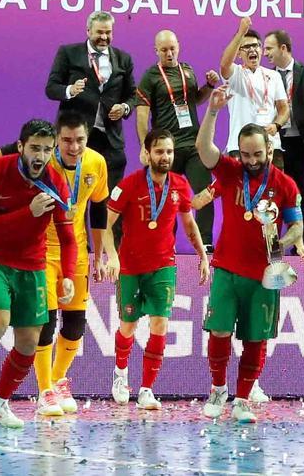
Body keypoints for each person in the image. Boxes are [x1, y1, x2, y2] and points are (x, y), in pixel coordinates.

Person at [196, 86, 304, 423]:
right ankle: (218, 389)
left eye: (257, 154)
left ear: (269, 150)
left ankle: (243, 398)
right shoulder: (231, 172)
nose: (252, 161)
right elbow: (204, 150)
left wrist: (280, 242)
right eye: (246, 154)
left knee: (256, 339)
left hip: (264, 275)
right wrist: (213, 111)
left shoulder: (286, 185)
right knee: (218, 332)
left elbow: (297, 229)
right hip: (228, 270)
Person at [0, 119, 77, 428]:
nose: (41, 155)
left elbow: (68, 237)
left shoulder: (55, 183)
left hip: (31, 264)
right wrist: (29, 212)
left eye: (47, 150)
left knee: (27, 343)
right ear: (21, 147)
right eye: (35, 148)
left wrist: (67, 276)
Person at [100, 129, 210, 410]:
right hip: (130, 267)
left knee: (160, 325)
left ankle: (147, 388)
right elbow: (105, 225)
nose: (165, 157)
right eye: (159, 151)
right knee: (128, 327)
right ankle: (121, 373)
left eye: (169, 152)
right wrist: (111, 255)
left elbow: (188, 224)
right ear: (147, 154)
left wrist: (202, 255)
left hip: (163, 266)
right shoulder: (128, 185)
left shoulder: (180, 185)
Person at [32, 112, 110, 417]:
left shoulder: (96, 163)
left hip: (75, 253)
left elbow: (99, 208)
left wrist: (100, 254)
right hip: (41, 252)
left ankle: (58, 378)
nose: (73, 147)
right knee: (46, 324)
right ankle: (44, 391)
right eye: (66, 140)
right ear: (56, 139)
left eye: (79, 140)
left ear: (87, 138)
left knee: (76, 324)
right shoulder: (42, 163)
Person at [44, 10, 137, 241]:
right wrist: (69, 90)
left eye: (108, 33)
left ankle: (112, 252)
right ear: (88, 31)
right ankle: (76, 246)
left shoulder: (123, 59)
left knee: (111, 197)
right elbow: (51, 88)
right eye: (99, 32)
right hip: (76, 139)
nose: (104, 37)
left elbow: (133, 95)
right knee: (75, 194)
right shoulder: (69, 53)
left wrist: (125, 108)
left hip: (110, 140)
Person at [135, 29, 220, 249]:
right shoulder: (150, 76)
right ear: (156, 51)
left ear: (178, 46)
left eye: (172, 48)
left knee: (205, 192)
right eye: (164, 50)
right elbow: (142, 114)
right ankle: (165, 243)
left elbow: (196, 100)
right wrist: (146, 147)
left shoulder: (188, 70)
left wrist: (209, 86)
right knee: (165, 198)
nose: (169, 53)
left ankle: (206, 243)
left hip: (193, 144)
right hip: (166, 149)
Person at [264, 29, 304, 248]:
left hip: (299, 142)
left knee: (298, 193)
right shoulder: (267, 76)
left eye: (269, 48)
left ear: (283, 48)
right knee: (272, 193)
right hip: (274, 142)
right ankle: (272, 242)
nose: (265, 53)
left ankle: (301, 242)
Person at [218, 18, 289, 165]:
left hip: (270, 146)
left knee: (274, 187)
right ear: (238, 53)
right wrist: (240, 33)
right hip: (240, 146)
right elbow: (224, 64)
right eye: (247, 47)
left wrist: (276, 125)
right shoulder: (235, 74)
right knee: (241, 188)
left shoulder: (274, 75)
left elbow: (283, 109)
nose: (252, 49)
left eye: (256, 45)